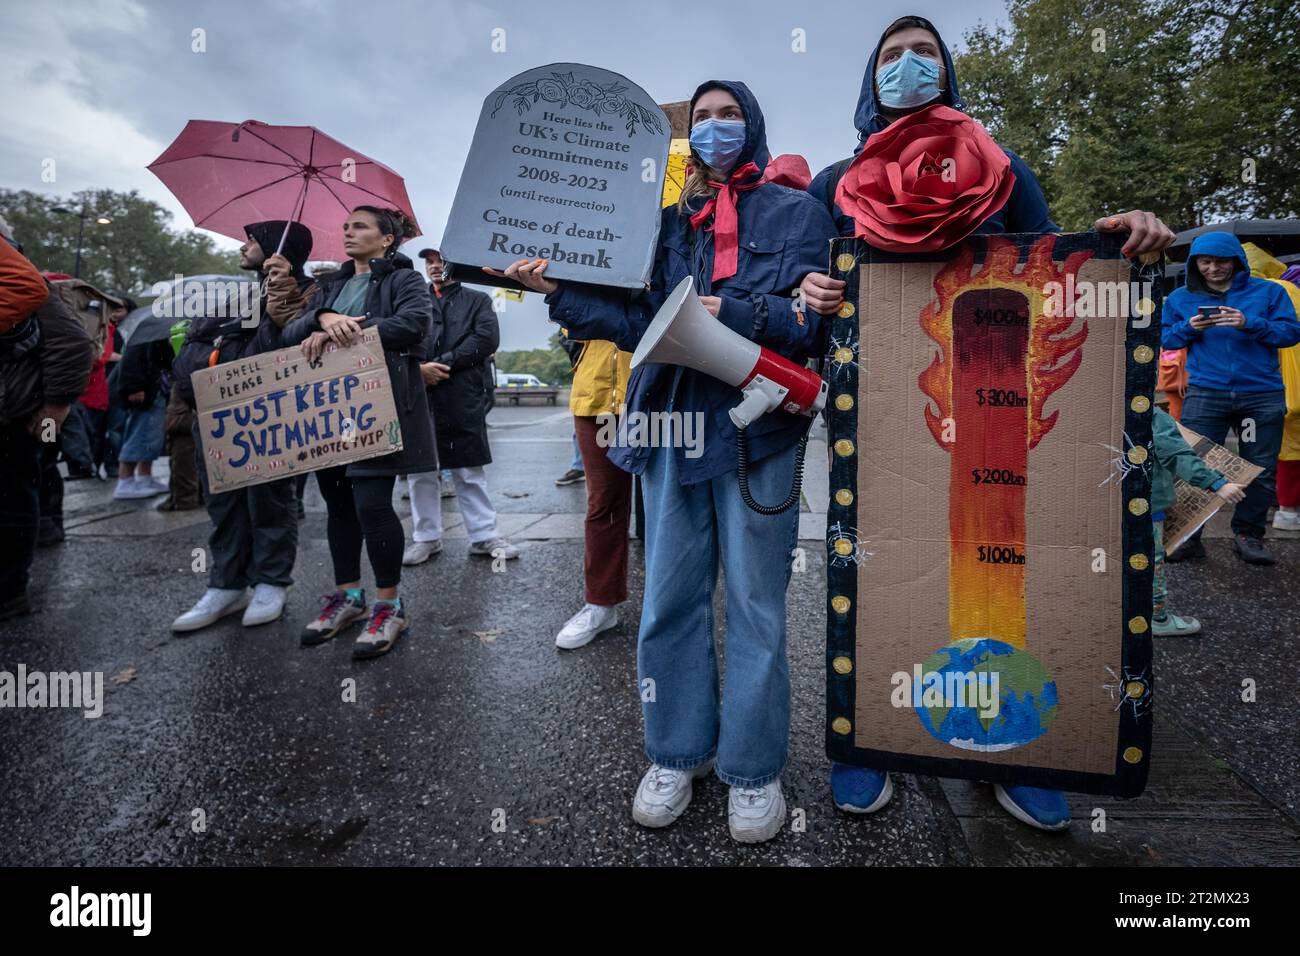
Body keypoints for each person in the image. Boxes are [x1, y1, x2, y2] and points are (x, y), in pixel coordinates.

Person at [797, 15, 1177, 832]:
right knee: (871, 556)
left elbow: (1061, 266)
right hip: (878, 407)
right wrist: (808, 293)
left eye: (923, 53)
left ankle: (1018, 747)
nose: (907, 67)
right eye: (890, 57)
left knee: (1003, 562)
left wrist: (1127, 243)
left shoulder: (1005, 173)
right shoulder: (832, 181)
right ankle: (869, 734)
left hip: (1002, 396)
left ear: (949, 70)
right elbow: (803, 298)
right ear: (870, 82)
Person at [503, 80, 839, 843]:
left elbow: (815, 327)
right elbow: (626, 317)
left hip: (759, 436)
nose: (717, 127)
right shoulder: (661, 225)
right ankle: (675, 753)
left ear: (752, 125)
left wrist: (742, 313)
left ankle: (753, 771)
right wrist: (556, 288)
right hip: (667, 428)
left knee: (756, 606)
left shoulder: (800, 213)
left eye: (729, 115)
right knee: (670, 603)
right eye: (705, 117)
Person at [283, 207, 437, 658]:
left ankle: (388, 604)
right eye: (346, 226)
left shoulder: (404, 280)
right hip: (326, 414)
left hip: (377, 409)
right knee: (338, 506)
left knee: (372, 505)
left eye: (361, 227)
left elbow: (413, 327)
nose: (348, 232)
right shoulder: (328, 284)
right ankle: (348, 596)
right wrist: (322, 318)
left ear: (387, 239)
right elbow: (289, 332)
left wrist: (345, 330)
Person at [171, 220, 315, 632]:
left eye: (252, 239)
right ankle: (226, 585)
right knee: (223, 499)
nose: (243, 245)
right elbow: (195, 345)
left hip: (269, 413)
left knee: (270, 499)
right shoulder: (238, 297)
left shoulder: (309, 294)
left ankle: (271, 581)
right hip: (216, 413)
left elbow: (292, 349)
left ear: (276, 247)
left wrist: (282, 303)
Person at [1161, 232, 1300, 565]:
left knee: (1259, 467)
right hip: (1208, 395)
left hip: (1259, 396)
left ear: (1237, 260)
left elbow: (1291, 332)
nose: (1213, 268)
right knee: (1193, 463)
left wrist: (1249, 322)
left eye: (1220, 261)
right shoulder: (1181, 298)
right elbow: (1164, 336)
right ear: (1195, 264)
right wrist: (1189, 329)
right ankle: (1188, 537)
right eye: (1204, 262)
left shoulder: (1269, 292)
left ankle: (1248, 534)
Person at [401, 248, 518, 566]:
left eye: (440, 260)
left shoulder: (478, 299)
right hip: (419, 391)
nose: (435, 266)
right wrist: (418, 369)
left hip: (462, 392)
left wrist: (442, 364)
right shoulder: (414, 300)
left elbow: (486, 339)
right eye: (429, 262)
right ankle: (426, 537)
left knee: (468, 468)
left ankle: (483, 534)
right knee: (420, 470)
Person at [0, 231, 94, 620]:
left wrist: (55, 408)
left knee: (13, 498)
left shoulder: (32, 288)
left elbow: (73, 345)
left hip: (15, 416)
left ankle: (8, 592)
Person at [553, 334, 633, 649]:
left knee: (670, 506)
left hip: (652, 390)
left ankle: (679, 609)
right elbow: (565, 322)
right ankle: (601, 604)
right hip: (594, 395)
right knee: (604, 505)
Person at [1150, 407, 1245, 636]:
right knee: (1152, 564)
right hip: (1147, 506)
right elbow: (1176, 454)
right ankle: (1158, 619)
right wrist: (1217, 483)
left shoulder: (1090, 412)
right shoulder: (1150, 414)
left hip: (1101, 507)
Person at [112, 324, 171, 501]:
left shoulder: (154, 331)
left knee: (150, 436)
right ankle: (125, 480)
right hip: (143, 390)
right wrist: (134, 386)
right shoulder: (143, 333)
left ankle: (145, 477)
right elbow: (131, 360)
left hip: (153, 389)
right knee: (139, 433)